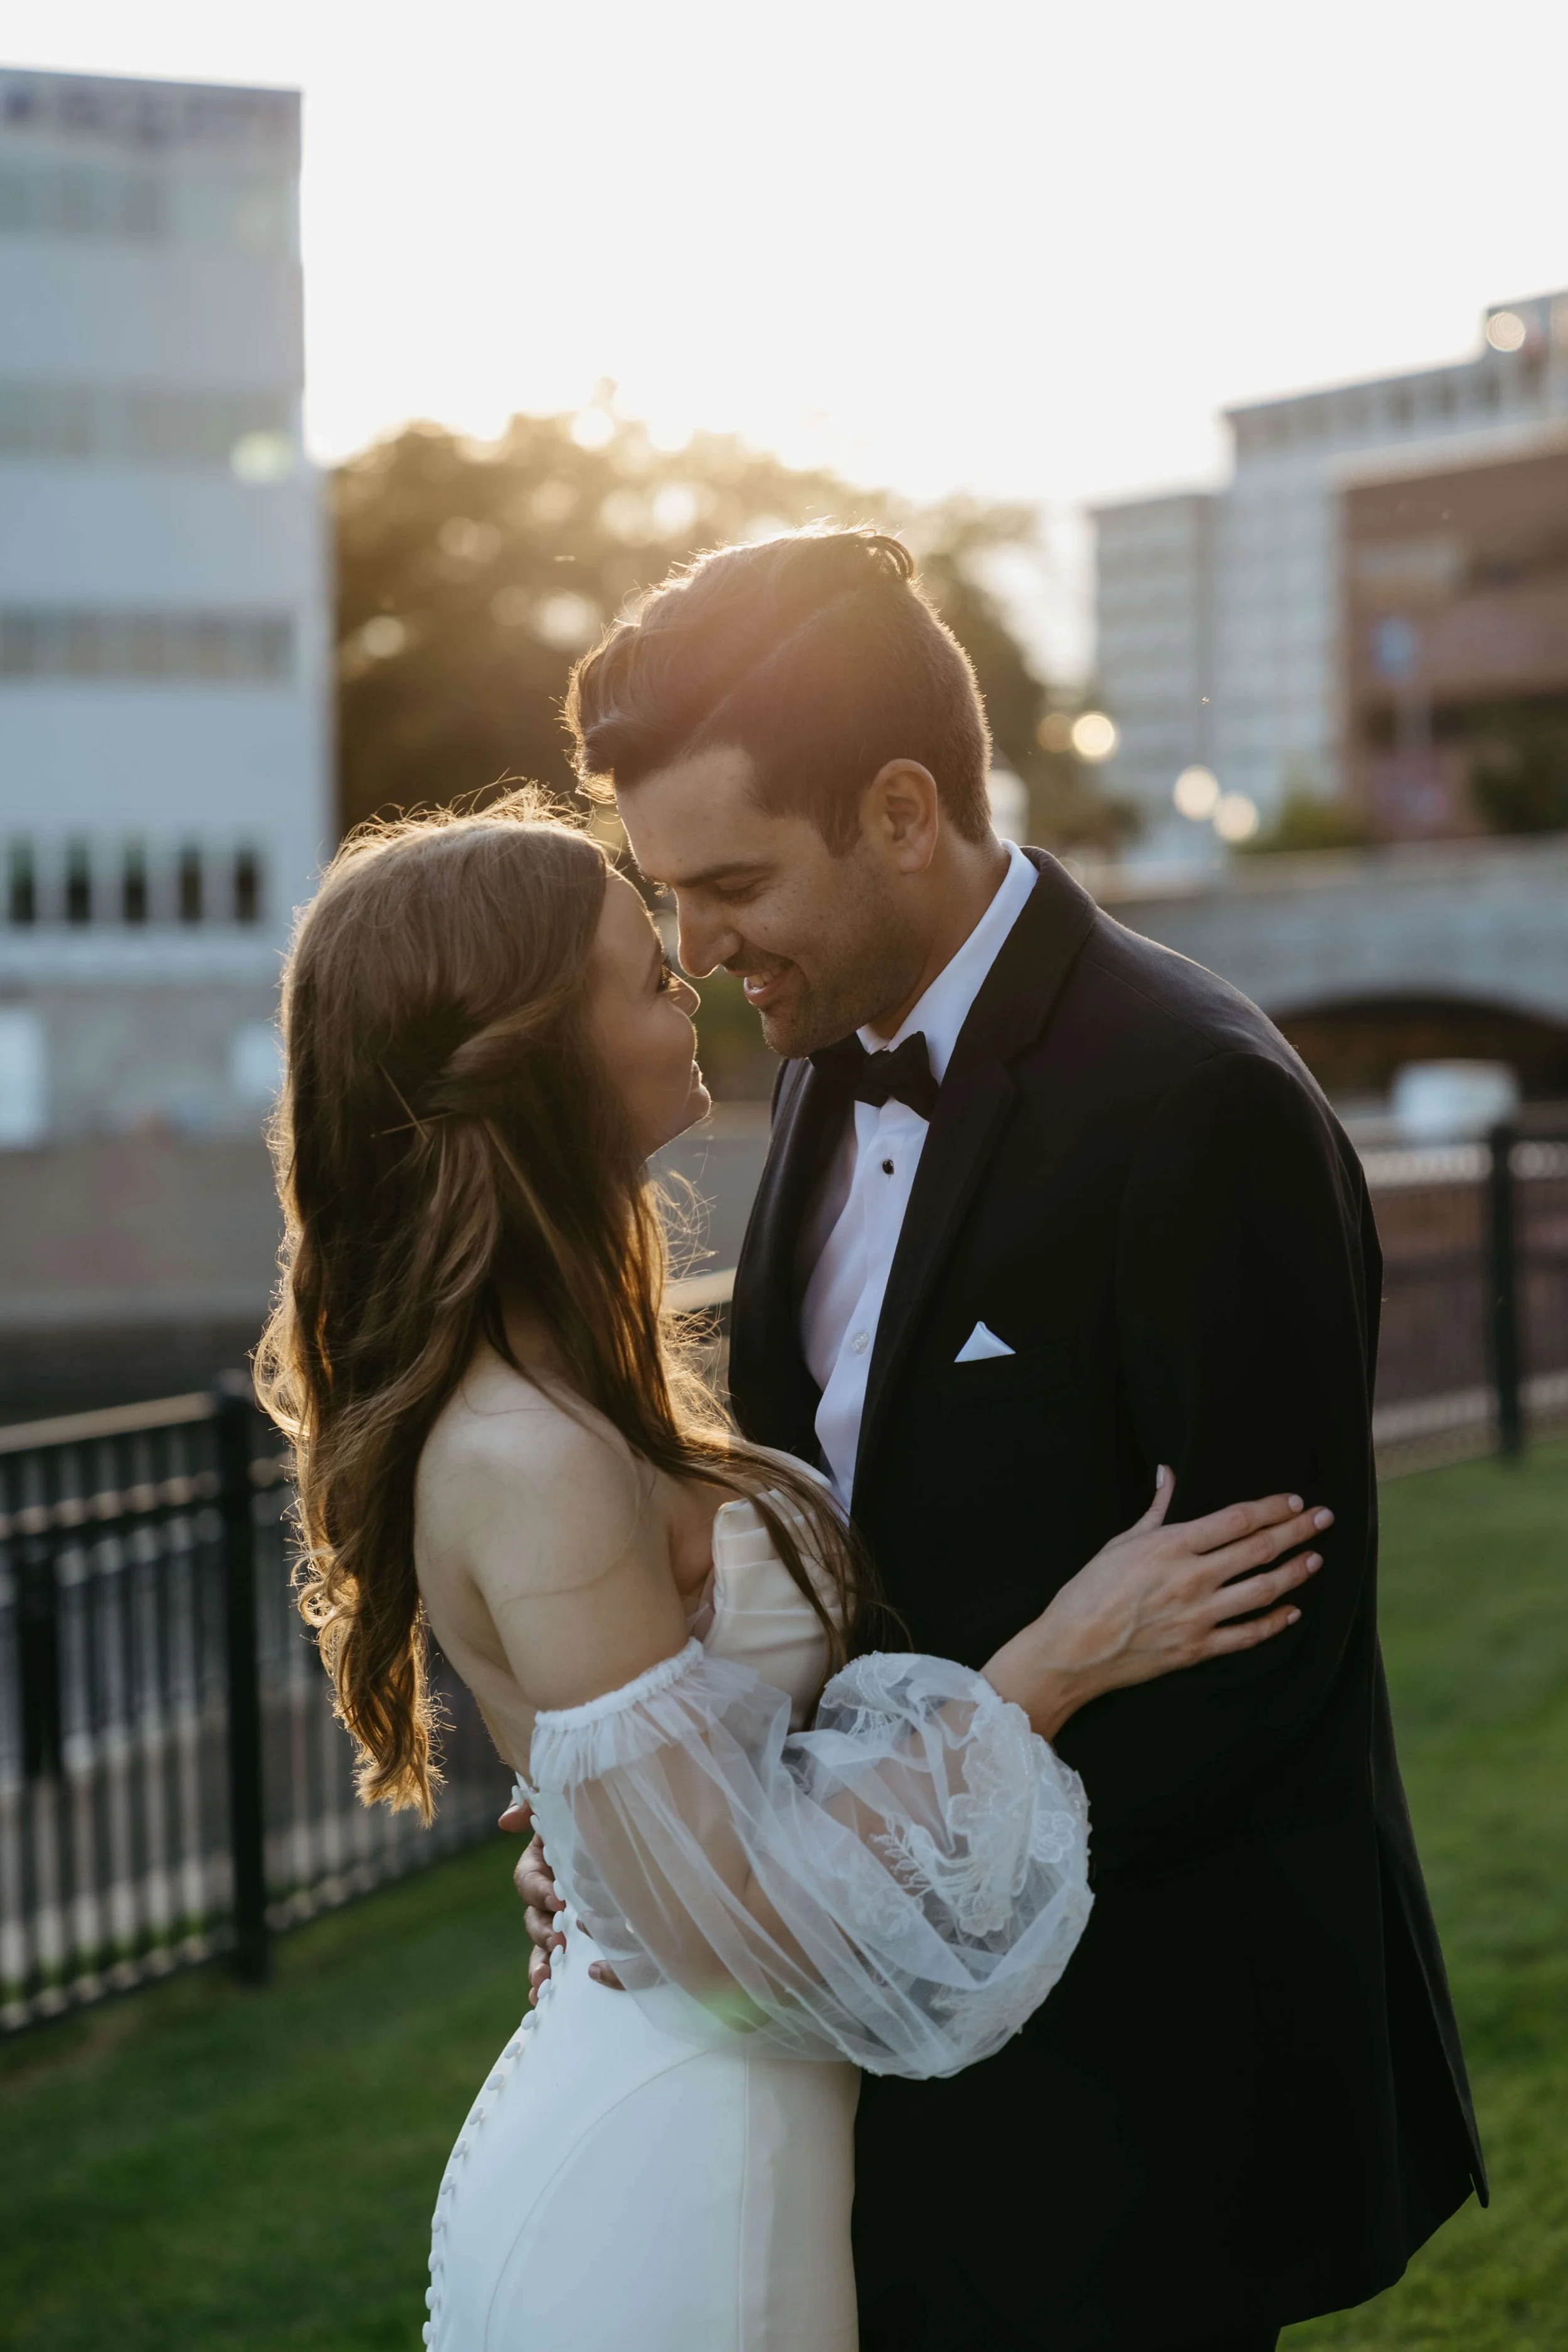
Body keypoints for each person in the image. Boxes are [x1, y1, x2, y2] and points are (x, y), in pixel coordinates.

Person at [513, 527, 1485, 2352]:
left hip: (1144, 2071)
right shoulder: (819, 1056)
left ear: (898, 810)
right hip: (895, 2038)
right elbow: (825, 1535)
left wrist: (860, 1888)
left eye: (727, 882)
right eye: (671, 895)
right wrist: (667, 1815)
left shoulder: (1198, 1102)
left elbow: (1258, 1654)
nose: (697, 949)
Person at [259, 785, 1334, 2352]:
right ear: (527, 1053)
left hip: (752, 2146)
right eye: (638, 970)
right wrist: (1053, 1664)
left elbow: (697, 1833)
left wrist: (617, 1831)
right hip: (681, 2193)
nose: (688, 975)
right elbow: (729, 1941)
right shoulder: (530, 1455)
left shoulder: (578, 1380)